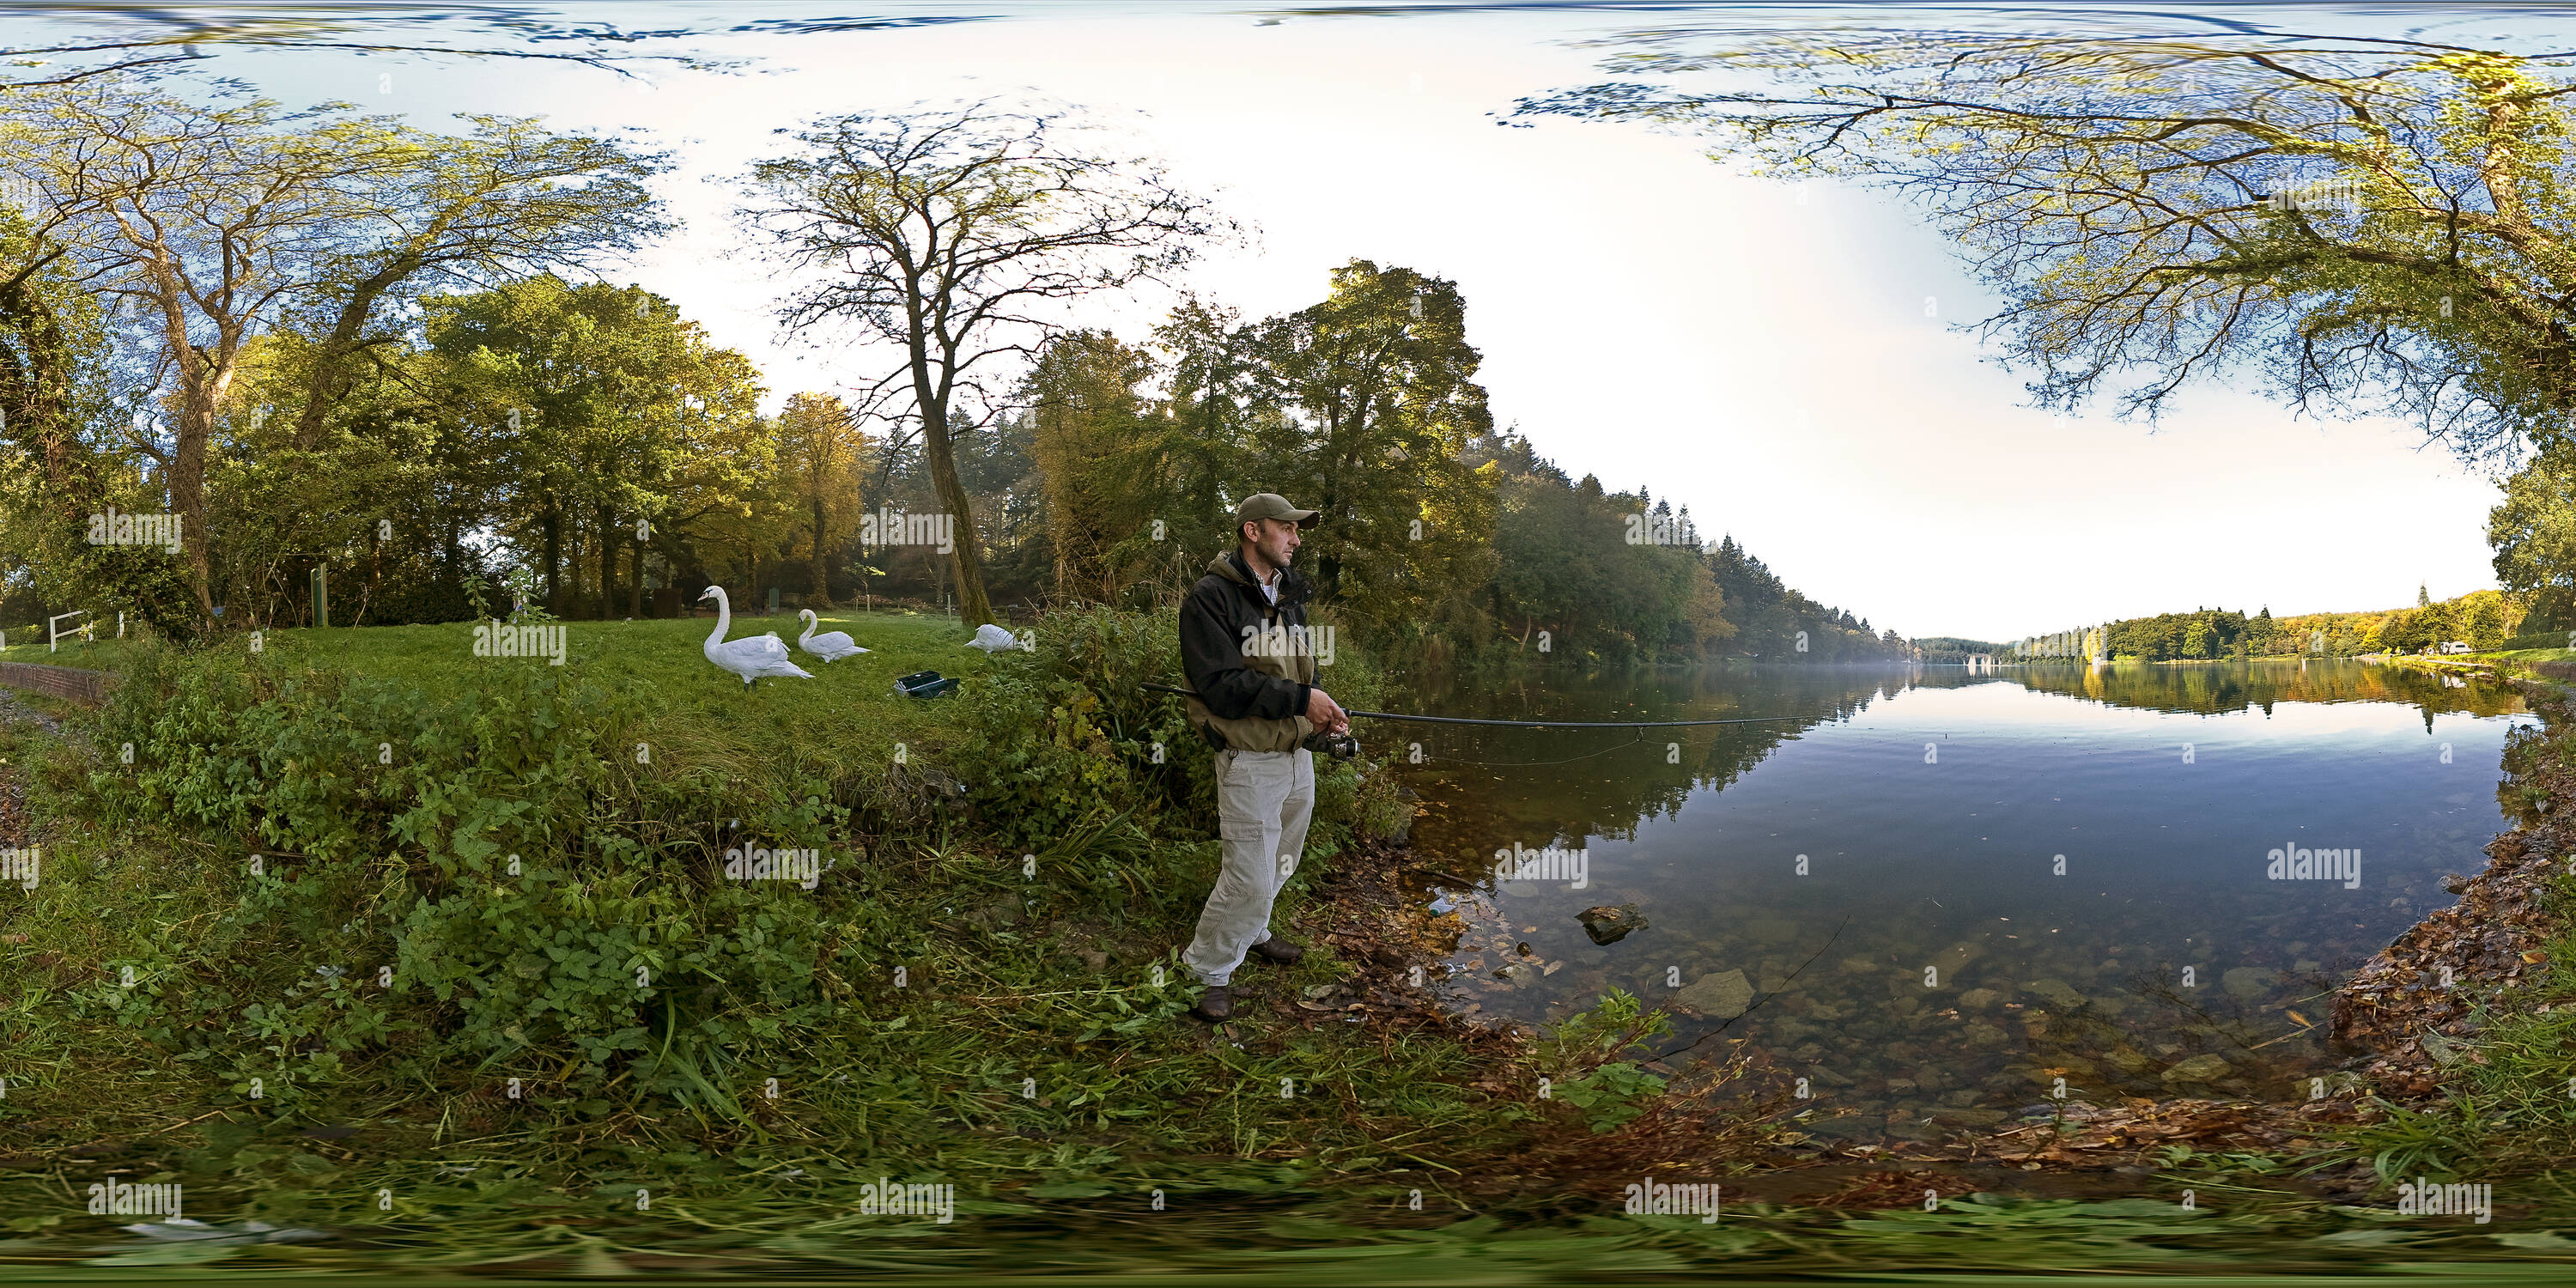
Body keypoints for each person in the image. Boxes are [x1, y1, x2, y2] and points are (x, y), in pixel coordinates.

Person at [1176, 493, 1350, 1022]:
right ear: (1253, 531)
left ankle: (1254, 932)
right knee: (1248, 876)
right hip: (1248, 761)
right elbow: (1222, 687)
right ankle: (1208, 970)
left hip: (1297, 758)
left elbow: (1303, 676)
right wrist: (1302, 700)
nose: (1297, 539)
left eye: (1298, 531)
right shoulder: (1210, 599)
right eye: (1287, 529)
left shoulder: (1289, 600)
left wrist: (1323, 716)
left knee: (1282, 862)